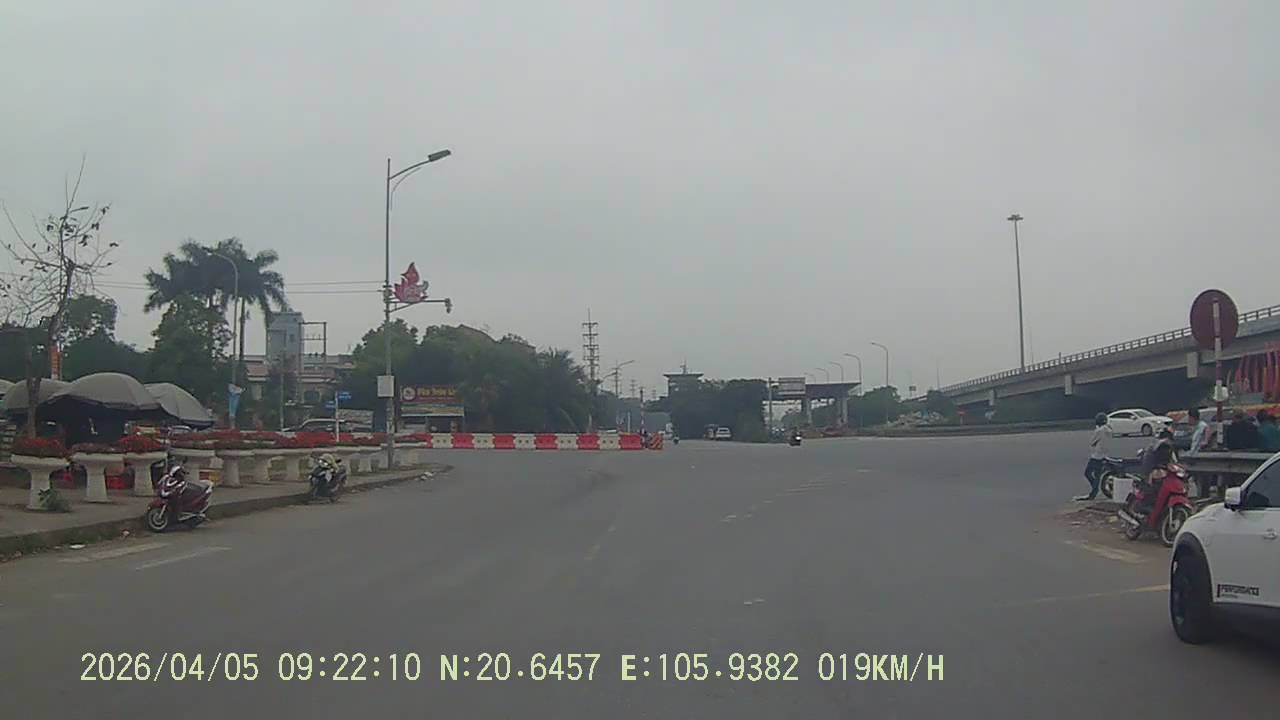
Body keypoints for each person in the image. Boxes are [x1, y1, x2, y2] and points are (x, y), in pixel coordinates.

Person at [1079, 413, 1111, 501]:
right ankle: (1094, 491)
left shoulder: (1099, 431)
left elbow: (1092, 442)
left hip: (1096, 456)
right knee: (1097, 475)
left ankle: (1095, 489)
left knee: (1087, 473)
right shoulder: (1109, 430)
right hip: (1105, 455)